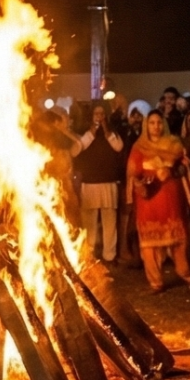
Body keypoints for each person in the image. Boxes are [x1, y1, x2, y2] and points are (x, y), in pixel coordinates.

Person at [125, 108, 190, 291]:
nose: (156, 126)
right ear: (146, 126)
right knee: (149, 245)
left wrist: (171, 171)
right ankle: (155, 282)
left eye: (159, 122)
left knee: (178, 240)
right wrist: (139, 183)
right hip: (148, 200)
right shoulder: (139, 147)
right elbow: (132, 173)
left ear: (164, 124)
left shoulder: (175, 144)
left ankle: (187, 274)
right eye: (151, 123)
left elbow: (185, 169)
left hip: (171, 198)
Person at [70, 102, 128, 263]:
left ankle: (109, 255)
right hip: (89, 183)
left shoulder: (112, 133)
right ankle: (89, 255)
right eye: (97, 114)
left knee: (110, 222)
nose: (99, 117)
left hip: (108, 183)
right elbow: (76, 150)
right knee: (90, 223)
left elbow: (118, 147)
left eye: (102, 114)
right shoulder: (84, 133)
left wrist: (106, 131)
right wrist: (92, 132)